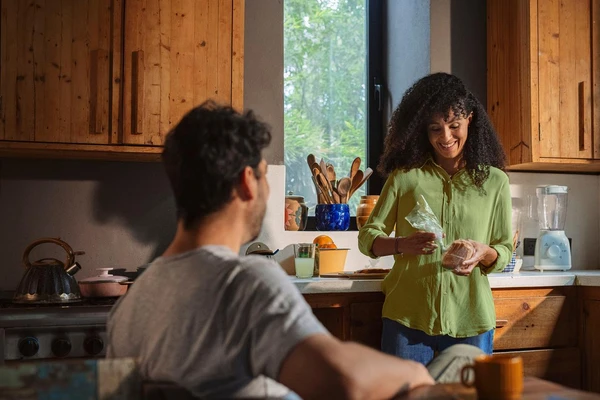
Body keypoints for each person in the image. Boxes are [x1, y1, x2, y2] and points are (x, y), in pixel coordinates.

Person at [107, 100, 435, 399]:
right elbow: (343, 382)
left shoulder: (130, 304)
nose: (267, 190)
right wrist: (416, 372)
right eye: (265, 176)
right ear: (247, 182)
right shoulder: (244, 282)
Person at [358, 72, 512, 366]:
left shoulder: (495, 182)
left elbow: (504, 249)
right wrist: (403, 244)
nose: (445, 137)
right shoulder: (405, 177)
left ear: (469, 119)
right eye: (434, 129)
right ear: (421, 131)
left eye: (454, 126)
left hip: (471, 319)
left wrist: (485, 253)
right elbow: (368, 239)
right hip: (408, 318)